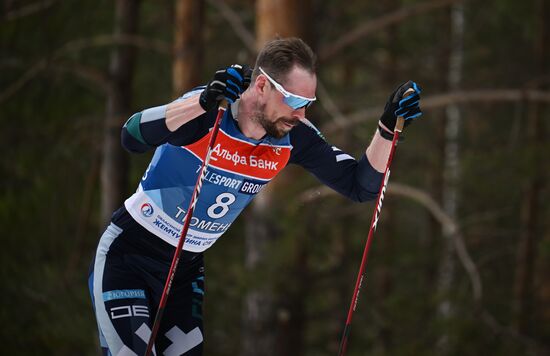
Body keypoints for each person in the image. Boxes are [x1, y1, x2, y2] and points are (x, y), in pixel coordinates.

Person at [88, 37, 422, 355]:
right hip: (128, 255)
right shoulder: (211, 112)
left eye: (308, 104)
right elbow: (132, 136)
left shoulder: (293, 136)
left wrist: (387, 130)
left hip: (185, 270)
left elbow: (360, 186)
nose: (301, 114)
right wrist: (201, 101)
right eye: (293, 101)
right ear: (261, 86)